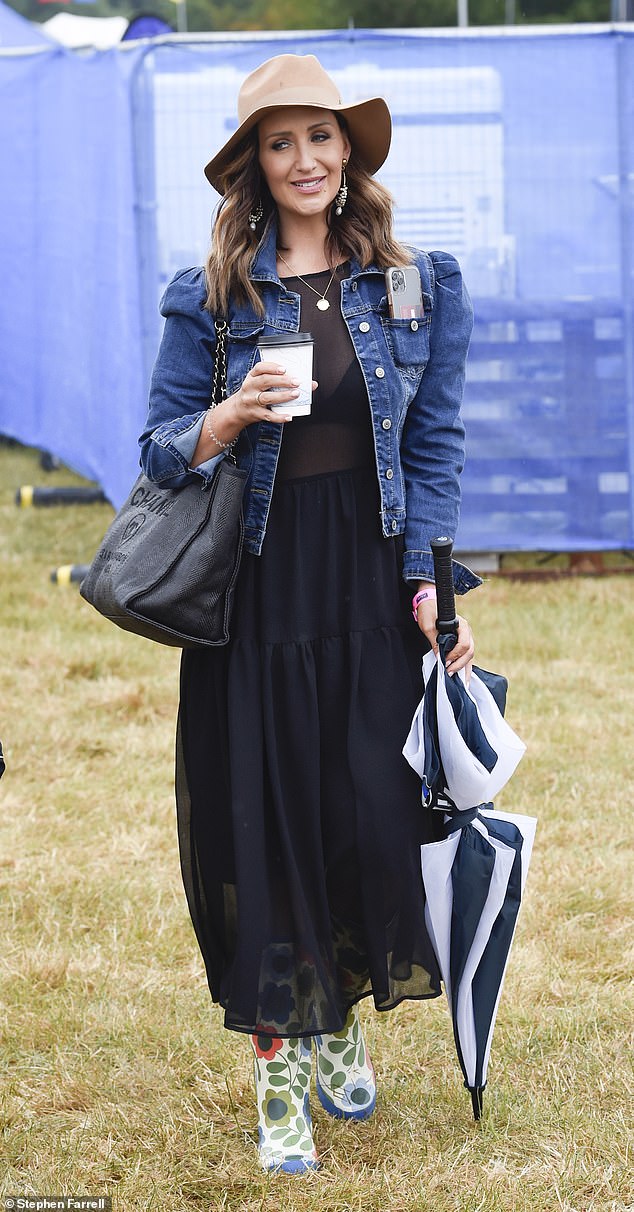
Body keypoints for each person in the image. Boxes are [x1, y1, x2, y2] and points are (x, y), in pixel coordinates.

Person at [139, 53, 481, 1174]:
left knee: (370, 820)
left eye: (321, 139)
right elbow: (158, 447)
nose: (305, 161)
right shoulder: (211, 298)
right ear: (252, 166)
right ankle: (283, 1070)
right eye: (280, 144)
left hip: (369, 591)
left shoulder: (414, 284)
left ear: (351, 153)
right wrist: (231, 411)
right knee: (269, 823)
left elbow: (431, 447)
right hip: (258, 596)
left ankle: (337, 1025)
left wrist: (430, 587)